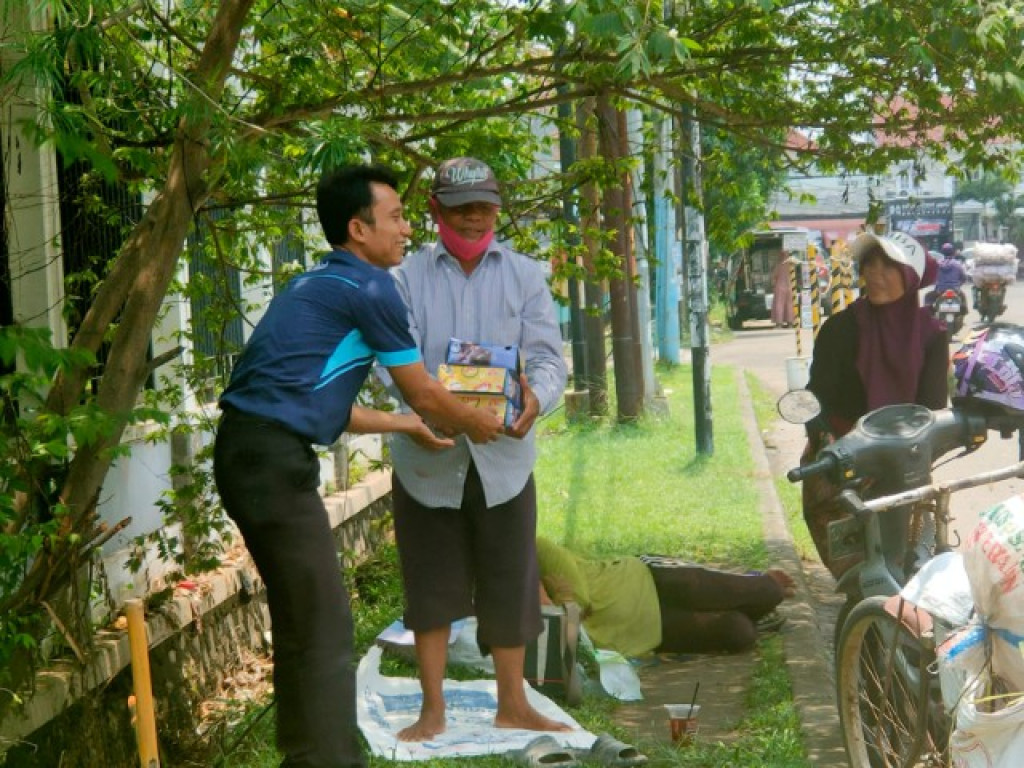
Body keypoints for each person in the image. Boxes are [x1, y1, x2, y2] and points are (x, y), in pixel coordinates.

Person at [213, 164, 503, 768]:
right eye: (395, 217)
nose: (407, 229)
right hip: (270, 463)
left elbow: (322, 401)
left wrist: (405, 425)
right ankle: (330, 759)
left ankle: (306, 754)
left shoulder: (317, 283)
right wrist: (480, 422)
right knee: (324, 623)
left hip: (249, 453)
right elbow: (424, 390)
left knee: (303, 617)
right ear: (358, 228)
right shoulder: (371, 289)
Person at [386, 156, 569, 741]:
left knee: (510, 580)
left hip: (505, 461)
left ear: (497, 209)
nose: (472, 218)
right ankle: (432, 709)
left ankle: (514, 703)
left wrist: (537, 399)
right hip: (427, 457)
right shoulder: (403, 279)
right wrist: (443, 411)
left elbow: (548, 358)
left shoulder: (525, 275)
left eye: (483, 207)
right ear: (434, 210)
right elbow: (391, 365)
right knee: (430, 584)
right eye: (460, 208)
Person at [801, 231, 947, 578]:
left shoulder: (932, 334)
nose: (875, 274)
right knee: (846, 556)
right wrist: (825, 439)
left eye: (888, 266)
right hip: (843, 457)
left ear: (910, 277)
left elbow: (932, 407)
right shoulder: (840, 328)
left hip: (904, 459)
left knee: (921, 552)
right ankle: (856, 598)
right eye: (869, 264)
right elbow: (816, 397)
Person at [536, 537, 795, 657]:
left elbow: (578, 604)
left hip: (645, 579)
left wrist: (541, 597)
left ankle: (755, 585)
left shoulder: (537, 548)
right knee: (739, 633)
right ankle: (749, 607)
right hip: (646, 633)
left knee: (769, 590)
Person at [924, 241, 968, 310]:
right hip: (955, 290)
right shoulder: (957, 264)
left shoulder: (937, 263)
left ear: (942, 252)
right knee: (963, 297)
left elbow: (932, 276)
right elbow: (963, 277)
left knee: (927, 297)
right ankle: (963, 309)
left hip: (940, 290)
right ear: (953, 252)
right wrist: (959, 284)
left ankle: (929, 312)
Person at [771, 253, 795, 327]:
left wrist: (773, 285)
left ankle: (779, 323)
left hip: (780, 287)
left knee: (779, 305)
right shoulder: (791, 265)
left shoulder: (779, 265)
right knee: (790, 305)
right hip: (790, 287)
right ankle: (790, 323)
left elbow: (774, 277)